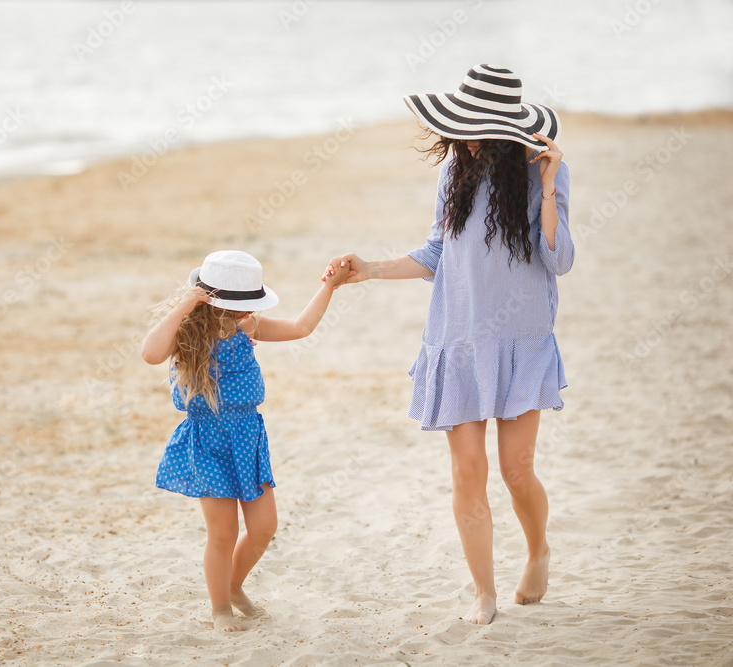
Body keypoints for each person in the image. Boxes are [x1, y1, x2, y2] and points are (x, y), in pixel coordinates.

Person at [325, 64, 574, 625]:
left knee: (516, 469)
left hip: (521, 337)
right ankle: (483, 593)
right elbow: (438, 253)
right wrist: (368, 269)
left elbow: (559, 259)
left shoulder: (541, 172)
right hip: (458, 338)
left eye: (474, 126)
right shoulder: (454, 173)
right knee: (468, 472)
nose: (463, 136)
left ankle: (538, 550)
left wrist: (553, 187)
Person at [142, 250, 348, 632]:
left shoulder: (248, 327)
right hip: (208, 441)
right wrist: (186, 304)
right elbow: (150, 353)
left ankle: (235, 587)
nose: (243, 313)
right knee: (223, 532)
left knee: (264, 527)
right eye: (236, 306)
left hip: (248, 438)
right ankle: (220, 608)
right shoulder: (187, 333)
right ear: (210, 301)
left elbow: (302, 327)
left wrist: (330, 287)